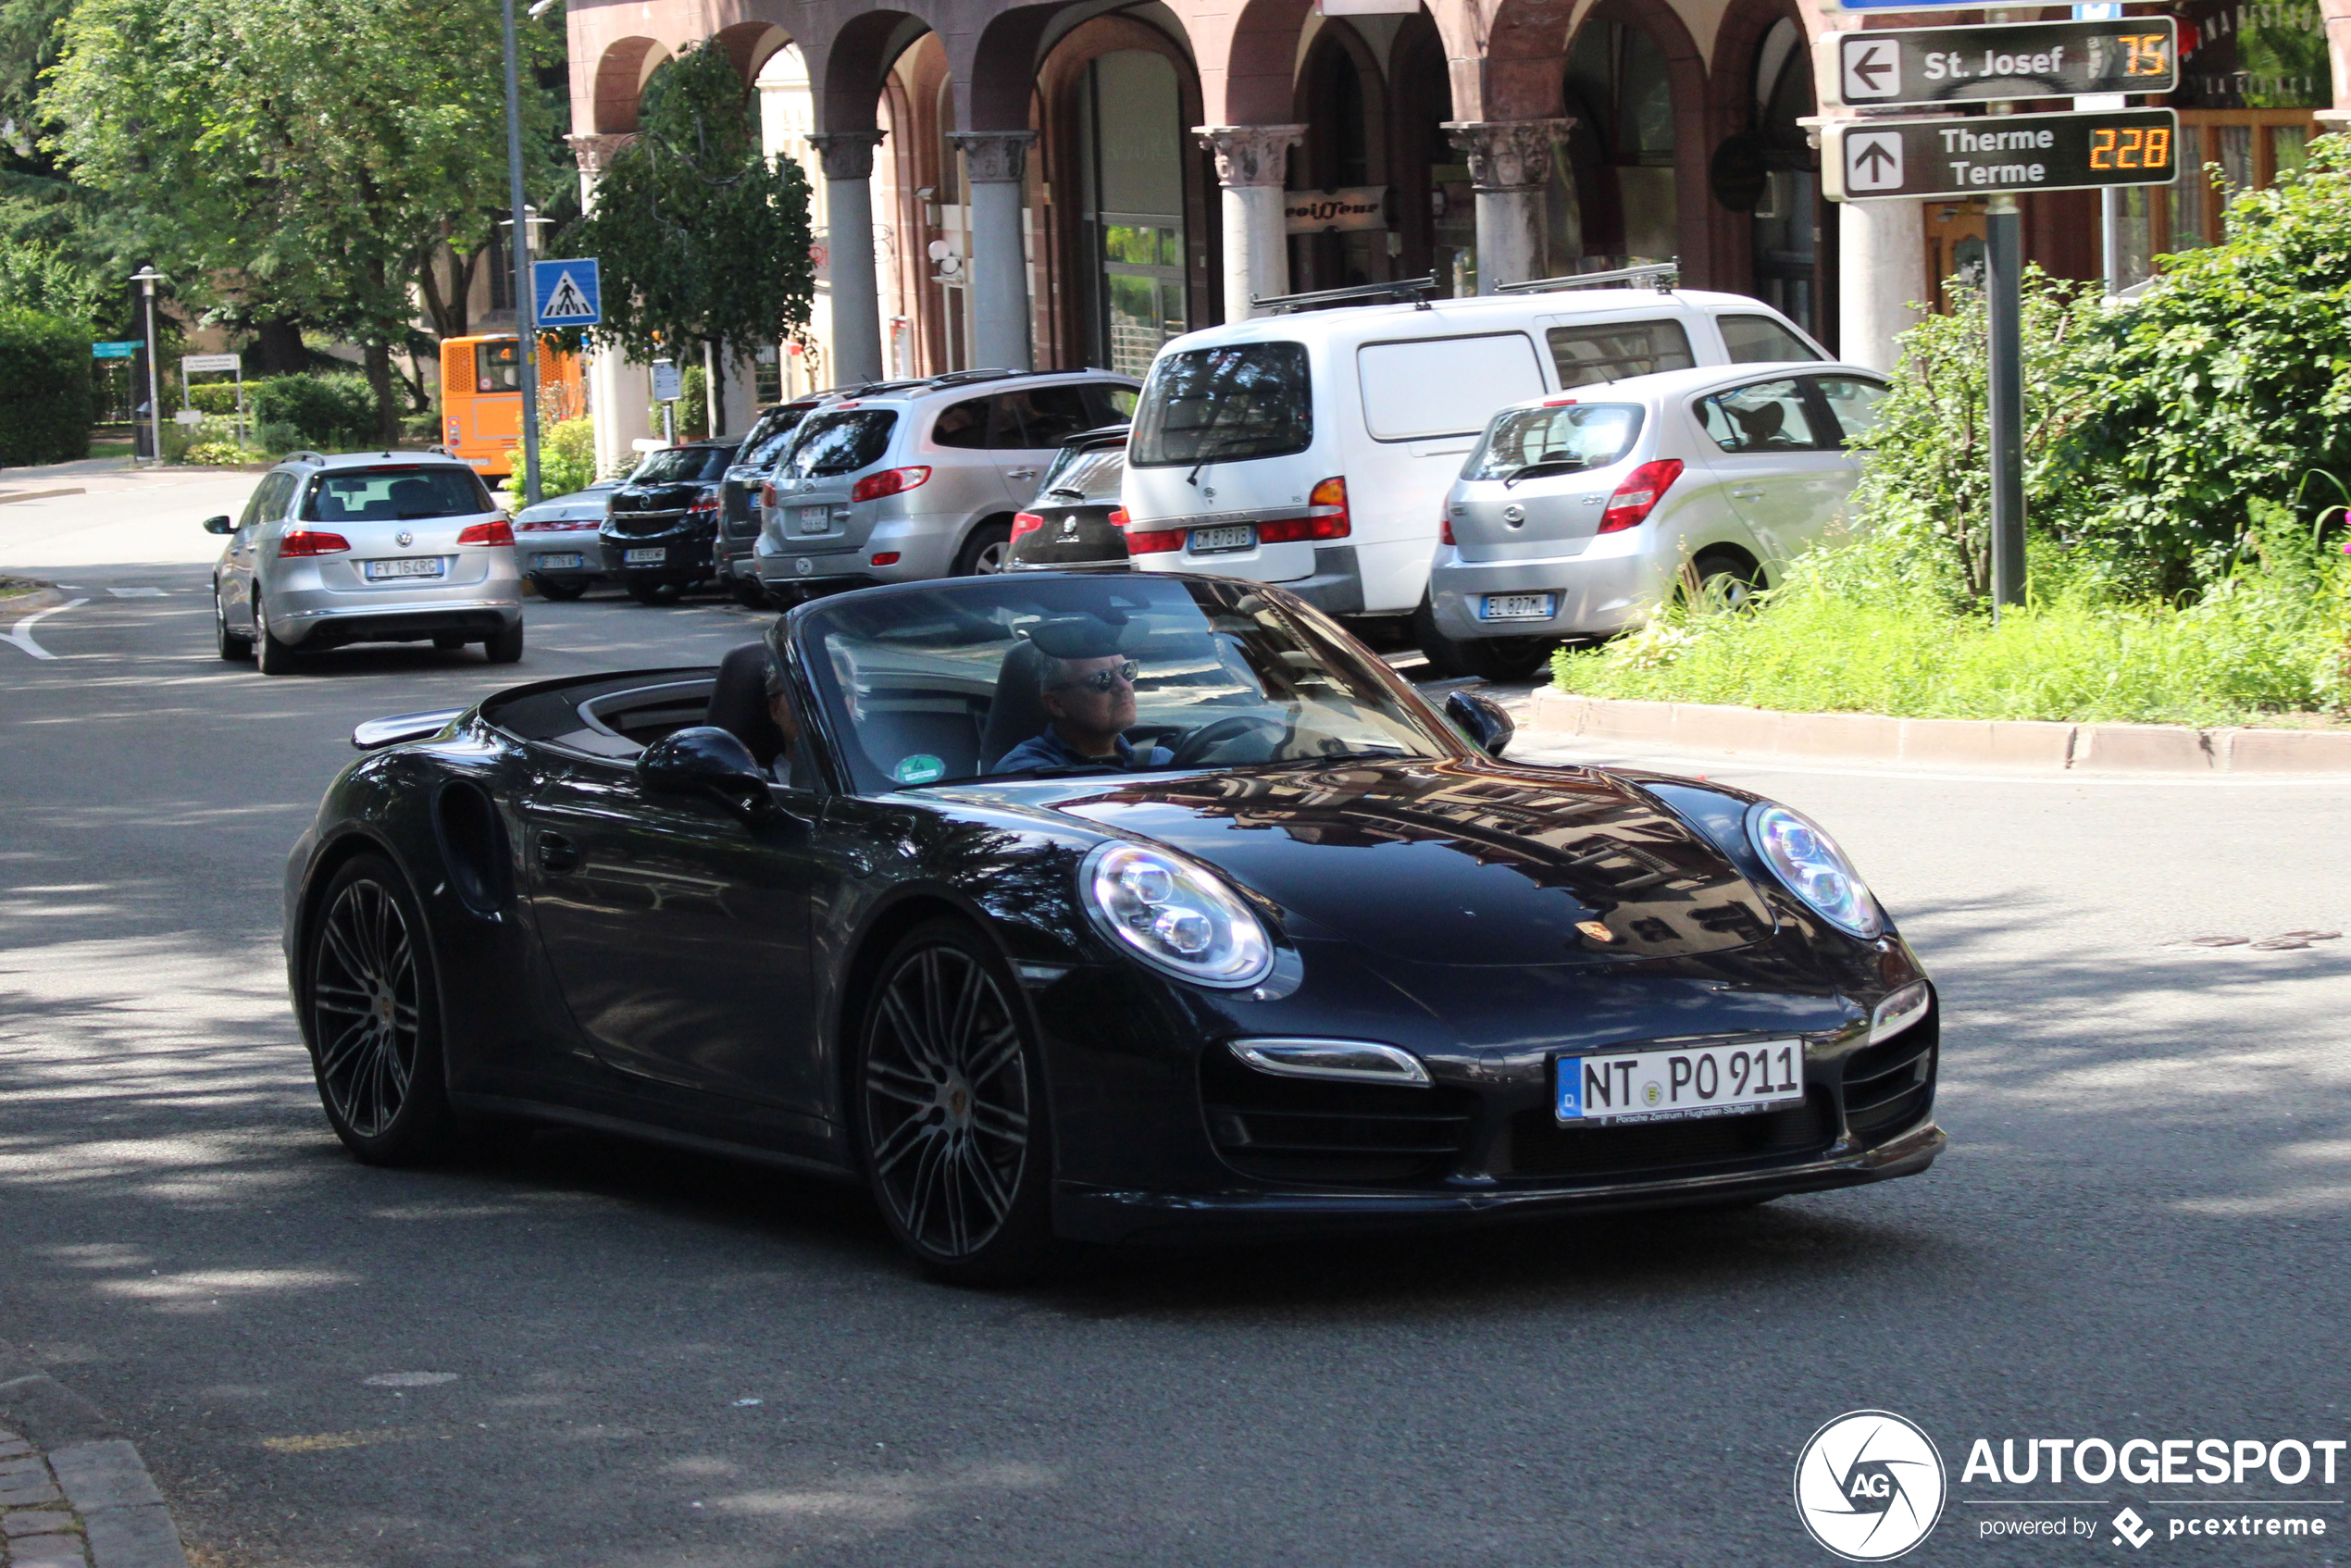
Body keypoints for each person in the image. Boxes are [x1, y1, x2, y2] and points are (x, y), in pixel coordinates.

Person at [994, 620, 1173, 776]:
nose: (1124, 686)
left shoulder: (1161, 760)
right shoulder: (1026, 775)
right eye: (1103, 679)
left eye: (1127, 671)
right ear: (1056, 704)